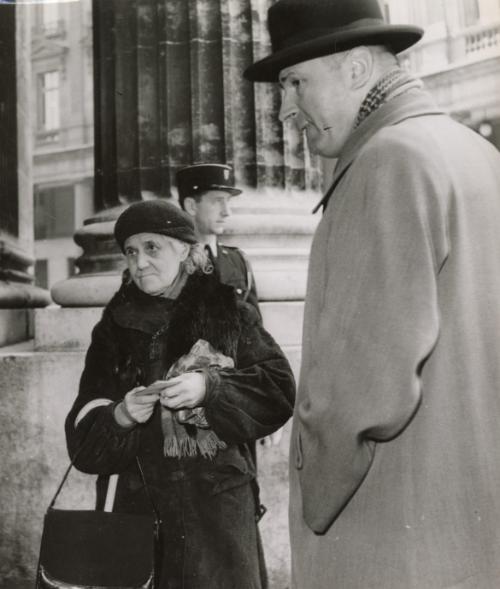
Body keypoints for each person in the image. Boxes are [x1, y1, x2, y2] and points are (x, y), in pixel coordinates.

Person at [245, 0, 500, 587]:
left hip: (393, 525)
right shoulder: (474, 152)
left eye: (294, 82)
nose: (286, 111)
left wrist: (314, 494)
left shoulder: (389, 161)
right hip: (465, 519)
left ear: (357, 69)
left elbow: (360, 383)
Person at [65, 199, 295, 589]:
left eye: (152, 248)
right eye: (131, 252)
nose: (139, 263)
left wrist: (210, 388)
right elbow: (83, 438)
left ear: (184, 250)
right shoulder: (113, 329)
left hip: (217, 515)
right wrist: (120, 416)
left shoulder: (228, 312)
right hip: (140, 514)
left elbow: (277, 388)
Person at [177, 163, 260, 315]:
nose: (227, 212)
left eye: (228, 201)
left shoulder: (238, 261)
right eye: (217, 201)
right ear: (191, 206)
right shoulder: (172, 261)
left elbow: (256, 330)